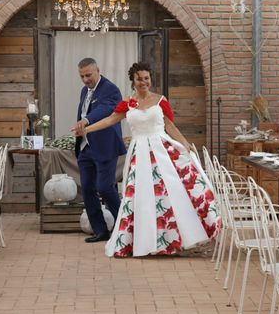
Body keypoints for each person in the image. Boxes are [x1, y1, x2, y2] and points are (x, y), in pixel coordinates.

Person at [83, 62, 220, 257]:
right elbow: (109, 120)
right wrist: (86, 129)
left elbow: (170, 127)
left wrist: (185, 144)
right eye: (139, 79)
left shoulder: (160, 101)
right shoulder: (128, 103)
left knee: (172, 193)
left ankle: (180, 237)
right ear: (133, 81)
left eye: (146, 78)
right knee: (141, 197)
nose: (144, 82)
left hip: (162, 150)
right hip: (139, 154)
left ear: (150, 80)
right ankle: (145, 241)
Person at [71, 58, 126, 243]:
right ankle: (100, 230)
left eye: (88, 75)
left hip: (105, 147)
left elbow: (105, 109)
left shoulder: (110, 89)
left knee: (104, 187)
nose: (86, 79)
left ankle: (125, 227)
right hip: (86, 148)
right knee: (87, 188)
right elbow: (83, 112)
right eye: (82, 76)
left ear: (98, 71)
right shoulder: (83, 91)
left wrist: (86, 121)